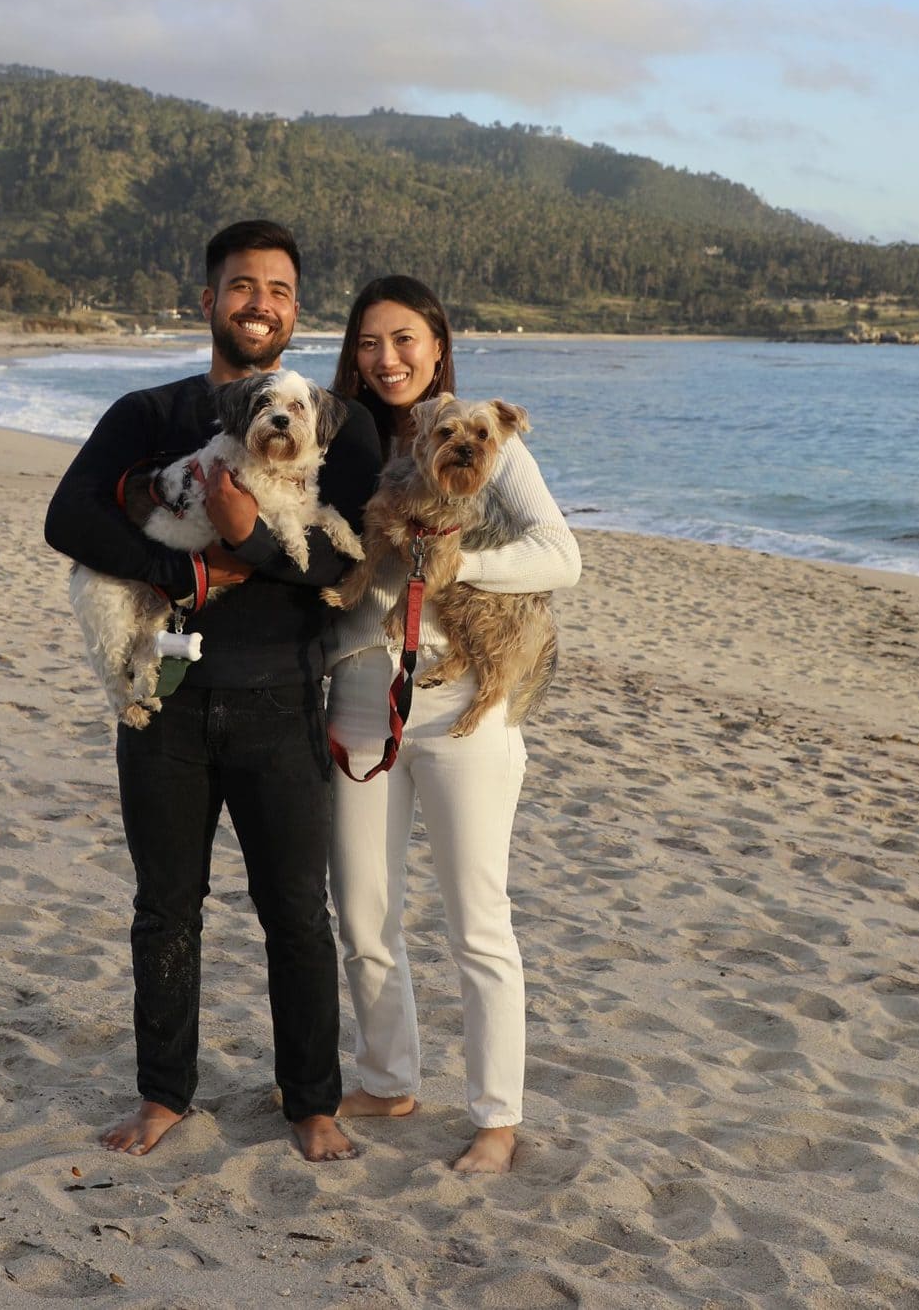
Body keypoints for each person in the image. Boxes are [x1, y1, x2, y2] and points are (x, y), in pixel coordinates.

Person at [45, 220, 381, 1162]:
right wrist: (186, 576)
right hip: (174, 703)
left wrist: (251, 541)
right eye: (241, 286)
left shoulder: (322, 424)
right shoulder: (148, 413)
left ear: (295, 310)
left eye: (276, 288)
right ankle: (164, 1095)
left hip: (283, 700)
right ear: (209, 301)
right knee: (166, 908)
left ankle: (311, 1100)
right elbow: (66, 518)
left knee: (296, 916)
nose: (258, 303)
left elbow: (340, 563)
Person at [326, 275, 582, 1173]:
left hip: (461, 708)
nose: (385, 358)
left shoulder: (489, 442)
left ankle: (496, 1117)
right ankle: (390, 1076)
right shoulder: (344, 438)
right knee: (362, 911)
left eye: (404, 341)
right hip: (360, 697)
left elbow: (562, 554)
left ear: (438, 349)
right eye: (369, 343)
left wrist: (454, 565)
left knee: (478, 918)